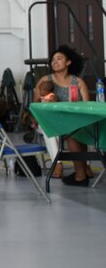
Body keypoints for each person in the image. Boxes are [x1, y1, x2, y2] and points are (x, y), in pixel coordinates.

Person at [33, 45, 92, 185]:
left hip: (73, 120)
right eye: (53, 59)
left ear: (68, 62)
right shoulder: (45, 81)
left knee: (84, 127)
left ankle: (84, 165)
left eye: (59, 59)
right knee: (49, 129)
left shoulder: (78, 82)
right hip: (50, 120)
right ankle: (57, 163)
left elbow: (87, 106)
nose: (55, 62)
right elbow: (34, 105)